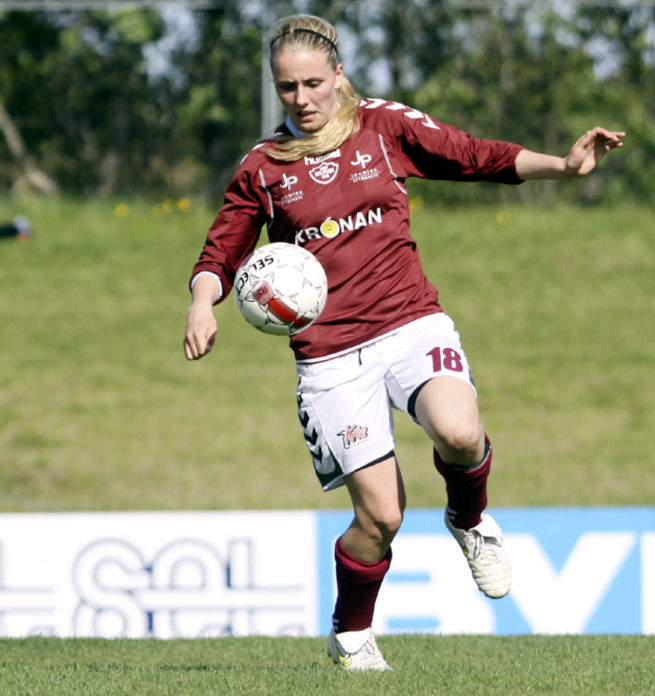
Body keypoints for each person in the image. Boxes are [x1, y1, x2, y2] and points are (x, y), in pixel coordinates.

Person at [184, 14, 625, 671]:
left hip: (409, 322)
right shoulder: (264, 167)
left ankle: (469, 520)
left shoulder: (383, 127)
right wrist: (202, 303)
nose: (301, 98)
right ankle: (351, 635)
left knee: (459, 431)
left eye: (313, 83)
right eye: (287, 88)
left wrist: (563, 165)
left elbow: (473, 155)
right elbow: (220, 252)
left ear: (339, 75)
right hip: (330, 358)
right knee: (381, 519)